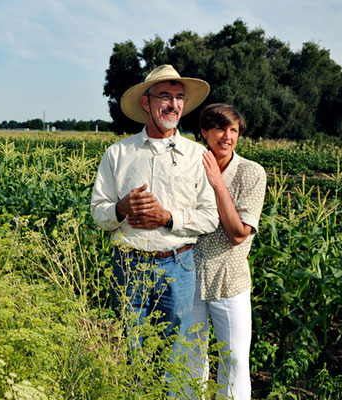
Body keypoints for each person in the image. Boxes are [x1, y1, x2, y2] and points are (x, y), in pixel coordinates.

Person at [90, 64, 219, 367]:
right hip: (128, 264)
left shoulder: (197, 155)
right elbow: (98, 212)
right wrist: (121, 208)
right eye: (164, 96)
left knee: (172, 358)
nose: (173, 104)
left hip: (177, 265)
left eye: (178, 98)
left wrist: (167, 218)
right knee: (131, 353)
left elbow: (210, 217)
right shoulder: (118, 154)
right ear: (146, 102)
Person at [188, 104, 267, 400]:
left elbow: (237, 233)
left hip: (230, 280)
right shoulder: (189, 165)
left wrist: (218, 183)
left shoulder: (251, 173)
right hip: (189, 275)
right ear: (204, 132)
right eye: (220, 128)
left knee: (234, 362)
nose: (227, 136)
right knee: (188, 359)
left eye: (233, 130)